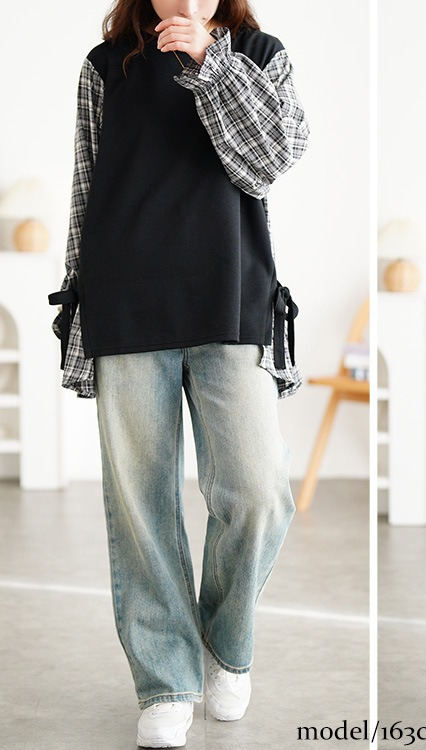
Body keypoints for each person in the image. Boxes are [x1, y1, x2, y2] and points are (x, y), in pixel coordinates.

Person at [47, 0, 309, 746]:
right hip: (126, 301)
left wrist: (210, 62)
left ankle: (224, 643)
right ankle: (165, 679)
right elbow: (86, 191)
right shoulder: (106, 67)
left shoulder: (258, 54)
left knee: (258, 493)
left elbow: (270, 159)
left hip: (231, 298)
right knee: (141, 505)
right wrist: (78, 308)